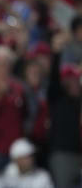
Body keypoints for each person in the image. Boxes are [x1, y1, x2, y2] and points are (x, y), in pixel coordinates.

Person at [47, 32, 82, 188]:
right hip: (62, 153)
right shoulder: (57, 97)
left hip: (78, 153)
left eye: (77, 79)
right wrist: (57, 52)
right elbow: (54, 77)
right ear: (65, 82)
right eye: (72, 79)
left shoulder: (78, 101)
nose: (76, 83)